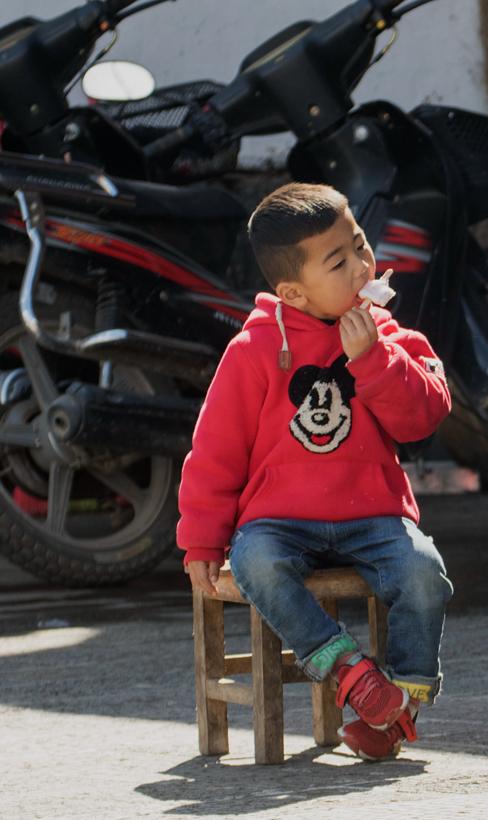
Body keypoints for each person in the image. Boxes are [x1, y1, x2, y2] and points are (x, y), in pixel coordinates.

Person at [178, 182, 454, 761]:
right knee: (255, 560)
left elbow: (423, 418)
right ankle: (346, 667)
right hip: (280, 520)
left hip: (374, 516)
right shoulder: (254, 349)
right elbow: (215, 449)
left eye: (359, 246)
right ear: (293, 293)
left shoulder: (392, 336)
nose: (362, 265)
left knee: (425, 573)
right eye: (339, 261)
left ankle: (396, 708)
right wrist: (202, 536)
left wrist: (375, 359)